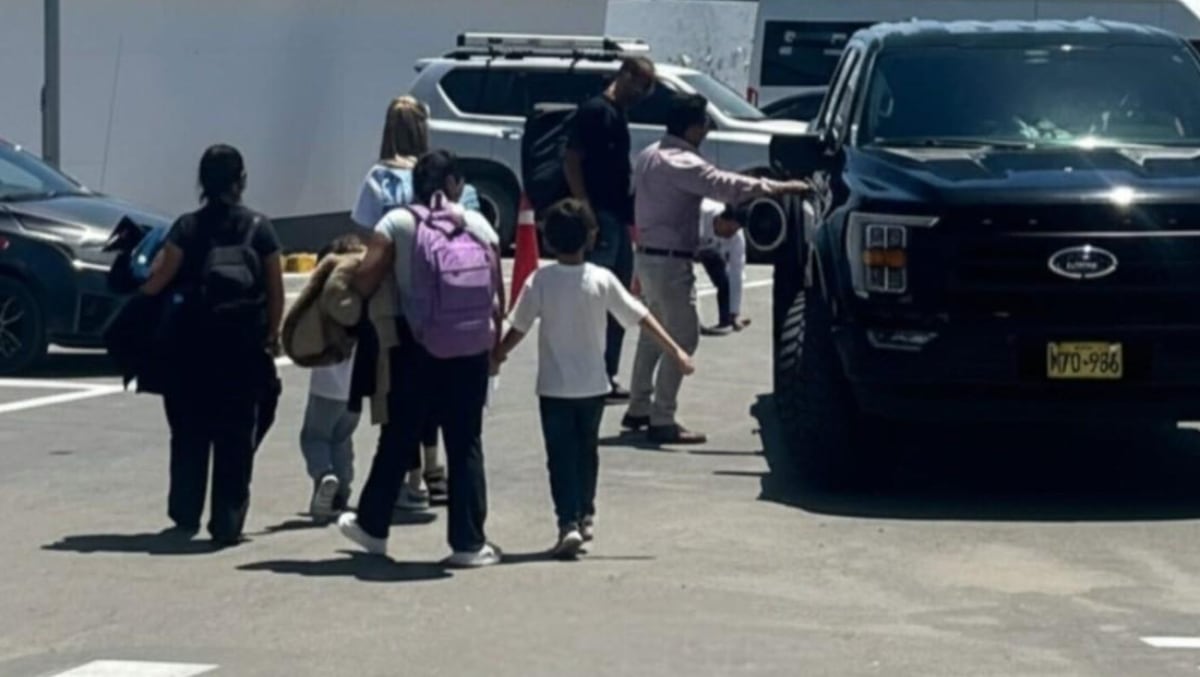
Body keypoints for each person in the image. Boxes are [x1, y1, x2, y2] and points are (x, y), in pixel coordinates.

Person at [493, 199, 694, 558]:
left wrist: (497, 356)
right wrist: (675, 350)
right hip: (593, 387)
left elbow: (518, 328)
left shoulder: (540, 281)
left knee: (559, 456)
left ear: (548, 240)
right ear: (591, 237)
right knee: (586, 452)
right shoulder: (602, 279)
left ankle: (567, 522)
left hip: (553, 388)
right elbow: (640, 316)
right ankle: (586, 513)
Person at [339, 150, 504, 567]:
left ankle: (373, 526)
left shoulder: (398, 222)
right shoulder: (478, 224)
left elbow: (366, 280)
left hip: (418, 346)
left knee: (399, 435)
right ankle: (469, 544)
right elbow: (497, 296)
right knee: (465, 442)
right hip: (471, 346)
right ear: (453, 184)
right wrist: (493, 350)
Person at [623, 94, 810, 444]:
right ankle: (662, 417)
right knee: (683, 337)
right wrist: (782, 187)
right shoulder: (683, 163)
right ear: (693, 127)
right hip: (670, 261)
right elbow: (727, 186)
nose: (708, 130)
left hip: (647, 256)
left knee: (654, 334)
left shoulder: (649, 154)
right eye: (705, 123)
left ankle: (639, 406)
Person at [140, 144, 285, 545]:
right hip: (242, 348)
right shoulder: (260, 228)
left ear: (202, 182)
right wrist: (272, 334)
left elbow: (159, 280)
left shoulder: (187, 227)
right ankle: (227, 520)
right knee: (236, 434)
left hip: (191, 347)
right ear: (241, 181)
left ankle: (185, 512)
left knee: (188, 432)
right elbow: (275, 290)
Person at [351, 95, 462, 511]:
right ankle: (435, 469)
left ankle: (411, 479)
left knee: (394, 391)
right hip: (435, 298)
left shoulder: (379, 179)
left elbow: (365, 232)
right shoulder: (435, 176)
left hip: (389, 301)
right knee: (431, 383)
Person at [564, 56, 657, 402]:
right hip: (600, 216)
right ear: (625, 75)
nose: (643, 93)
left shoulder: (618, 113)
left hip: (618, 216)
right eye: (642, 84)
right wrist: (584, 208)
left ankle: (606, 374)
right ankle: (586, 374)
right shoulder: (594, 110)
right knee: (595, 299)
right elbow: (572, 159)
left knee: (617, 299)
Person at [298, 235, 367, 521]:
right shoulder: (362, 301)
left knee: (314, 437)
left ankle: (324, 477)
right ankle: (342, 492)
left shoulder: (326, 302)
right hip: (357, 387)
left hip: (326, 387)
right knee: (342, 439)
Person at [697, 199, 749, 336]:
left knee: (725, 282)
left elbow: (736, 274)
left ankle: (727, 320)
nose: (731, 234)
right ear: (720, 219)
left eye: (735, 230)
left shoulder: (736, 238)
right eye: (729, 229)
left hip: (710, 249)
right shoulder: (700, 212)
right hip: (684, 242)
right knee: (684, 284)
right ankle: (690, 322)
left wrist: (735, 312)